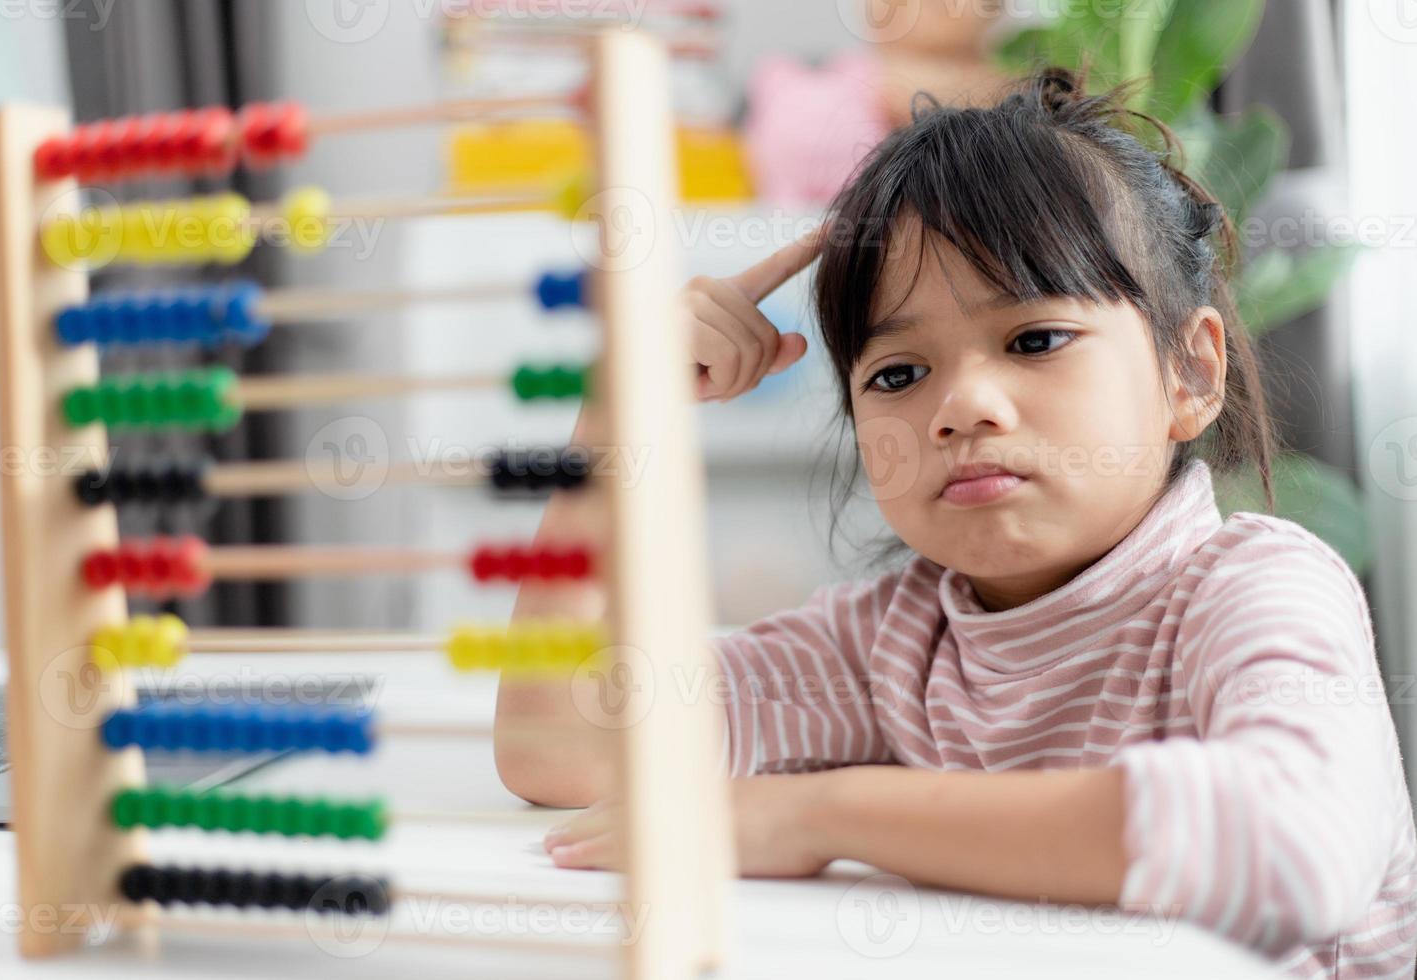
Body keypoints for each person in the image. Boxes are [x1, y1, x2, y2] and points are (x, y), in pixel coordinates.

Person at [496, 68, 1417, 978]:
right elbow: (560, 744)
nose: (963, 406)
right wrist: (614, 417)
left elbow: (1299, 839)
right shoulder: (892, 645)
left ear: (1191, 374)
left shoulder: (1255, 585)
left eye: (1035, 340)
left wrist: (825, 814)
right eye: (898, 373)